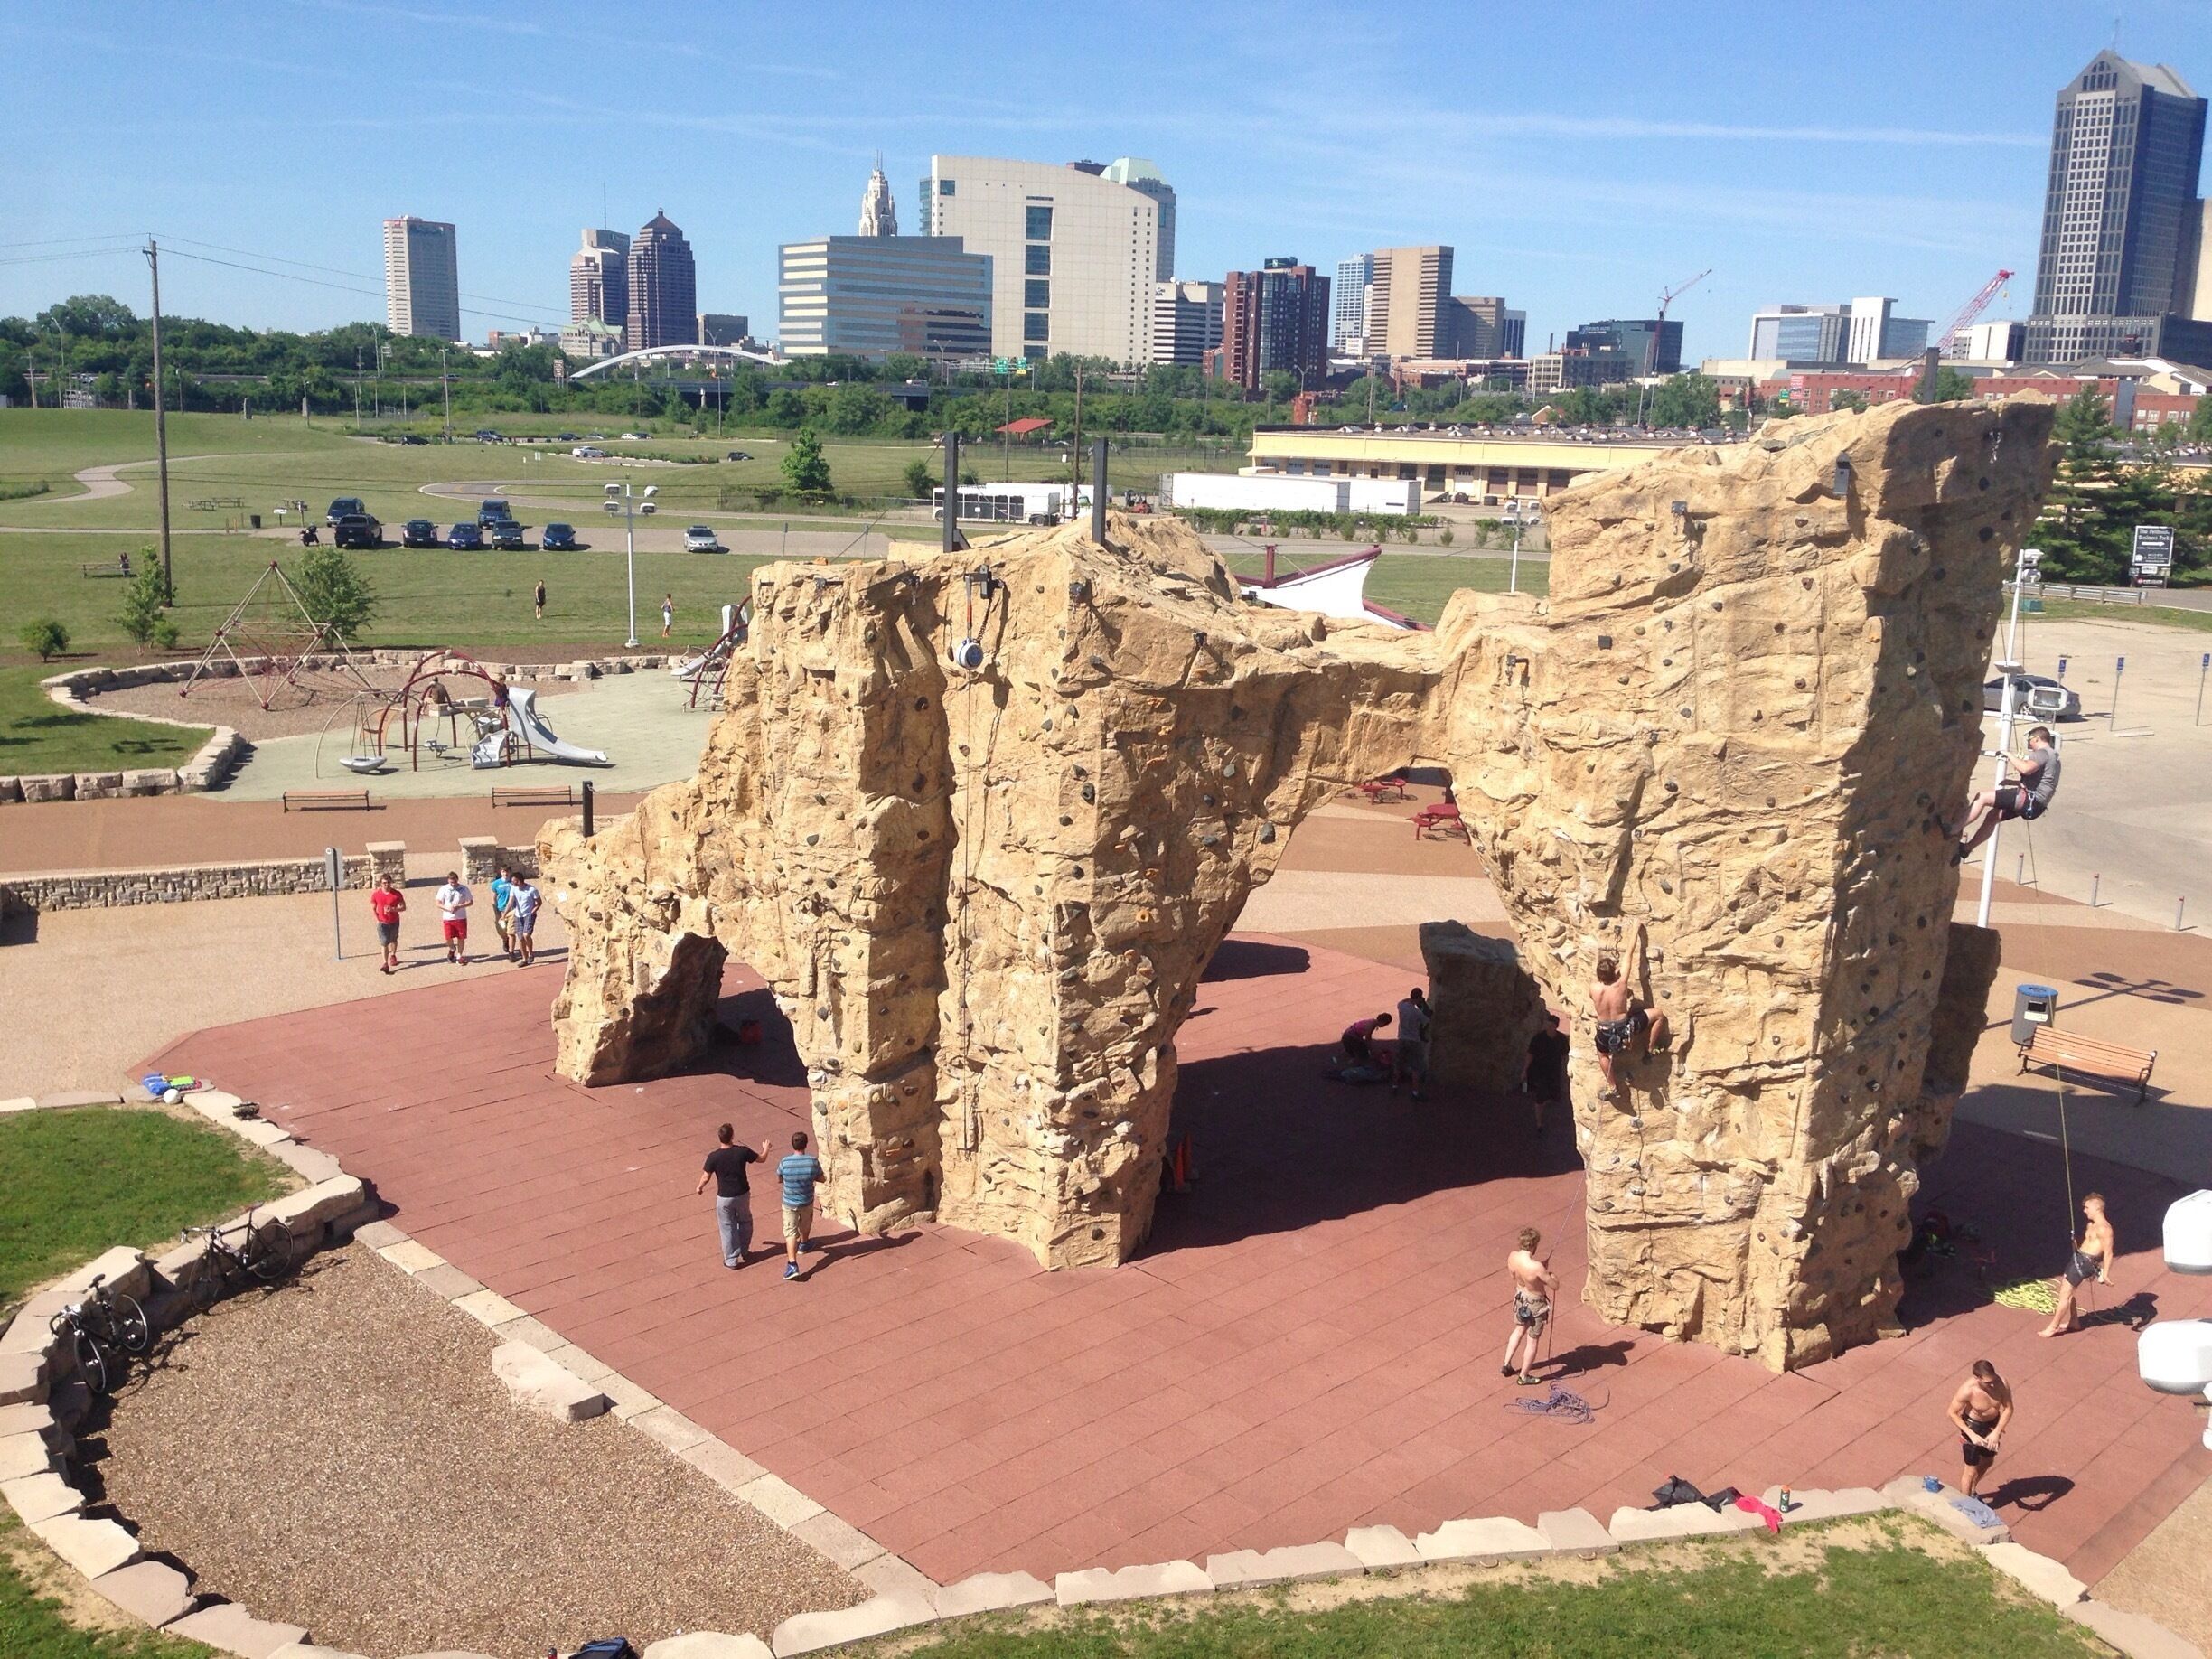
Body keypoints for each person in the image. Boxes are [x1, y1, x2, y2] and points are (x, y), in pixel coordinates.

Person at [1954, 726, 2061, 861]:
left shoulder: (2043, 753)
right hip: (2036, 806)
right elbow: (2041, 783)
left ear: (2036, 738)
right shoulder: (2055, 760)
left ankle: (1954, 829)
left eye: (2030, 741)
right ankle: (1966, 849)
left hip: (2028, 800)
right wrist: (2012, 782)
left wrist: (2008, 754)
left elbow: (2026, 769)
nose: (2029, 744)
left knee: (1982, 797)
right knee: (1993, 817)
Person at [1590, 955, 1667, 1102]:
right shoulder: (1622, 983)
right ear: (1615, 972)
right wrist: (1634, 932)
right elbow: (1629, 956)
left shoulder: (1594, 988)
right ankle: (1650, 1049)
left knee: (1603, 1056)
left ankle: (1613, 1088)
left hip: (1604, 1032)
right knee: (1658, 1015)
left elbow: (1595, 995)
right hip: (1625, 1029)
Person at [2040, 1192, 2113, 1338]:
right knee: (2066, 1289)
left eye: (2087, 1208)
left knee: (2064, 1295)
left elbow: (2108, 1253)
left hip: (2084, 1263)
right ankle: (2074, 1321)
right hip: (2078, 1258)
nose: (2085, 1211)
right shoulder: (2091, 1225)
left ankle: (2053, 1327)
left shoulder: (2105, 1229)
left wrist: (2105, 1273)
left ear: (2096, 1208)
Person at [694, 1122, 765, 1269]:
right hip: (743, 1193)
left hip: (725, 1197)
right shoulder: (742, 1152)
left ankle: (731, 1259)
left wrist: (700, 1187)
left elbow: (706, 1176)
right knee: (745, 1221)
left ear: (720, 1138)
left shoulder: (713, 1157)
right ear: (732, 1136)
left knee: (727, 1227)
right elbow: (761, 1159)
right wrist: (766, 1149)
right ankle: (745, 1250)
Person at [1947, 1359, 2013, 1497]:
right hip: (1973, 1426)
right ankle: (1965, 1503)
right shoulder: (1967, 1391)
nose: (1993, 1384)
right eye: (1988, 1383)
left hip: (1992, 1426)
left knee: (1988, 1461)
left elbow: (2008, 1408)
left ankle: (1972, 1490)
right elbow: (1952, 1413)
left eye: (1993, 1380)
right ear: (1977, 1378)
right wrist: (1971, 1435)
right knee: (1970, 1470)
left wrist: (1997, 1431)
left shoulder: (2001, 1383)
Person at [1501, 1227, 1557, 1386]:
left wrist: (1538, 1272)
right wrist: (1550, 1274)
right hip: (1536, 1304)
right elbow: (1554, 1285)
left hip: (1520, 1298)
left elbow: (1514, 1276)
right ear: (1534, 1245)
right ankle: (1524, 1377)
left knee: (1518, 1330)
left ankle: (1506, 1364)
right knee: (1532, 1340)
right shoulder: (1537, 1267)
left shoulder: (1513, 1256)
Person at [777, 1130, 826, 1281]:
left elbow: (779, 1178)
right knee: (806, 1224)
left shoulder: (785, 1161)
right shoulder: (812, 1161)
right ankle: (804, 1244)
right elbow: (822, 1178)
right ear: (806, 1144)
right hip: (806, 1200)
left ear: (793, 1145)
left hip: (789, 1202)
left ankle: (792, 1264)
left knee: (791, 1232)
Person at [1524, 1011, 1570, 1133]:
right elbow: (1530, 1054)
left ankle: (1544, 1106)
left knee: (1553, 1096)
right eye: (1547, 1025)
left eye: (1551, 1026)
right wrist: (1525, 1070)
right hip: (1539, 1072)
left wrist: (1566, 1073)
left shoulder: (1561, 1039)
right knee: (1540, 1097)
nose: (1549, 1028)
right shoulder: (1538, 1038)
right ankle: (1539, 1123)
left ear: (1556, 1026)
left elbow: (1565, 1055)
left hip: (1554, 1073)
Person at [1391, 989, 1430, 1101]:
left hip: (1402, 1038)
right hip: (1413, 1040)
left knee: (1398, 1064)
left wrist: (1413, 999)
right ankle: (1415, 1092)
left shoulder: (1401, 1006)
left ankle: (1394, 1086)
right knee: (1416, 1067)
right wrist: (1422, 1005)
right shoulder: (1416, 1012)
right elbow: (1426, 1020)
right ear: (1418, 998)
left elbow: (1403, 1001)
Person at [434, 870, 473, 966]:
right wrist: (447, 908)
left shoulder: (464, 889)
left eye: (454, 882)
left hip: (460, 917)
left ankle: (459, 955)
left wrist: (459, 906)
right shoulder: (443, 889)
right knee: (448, 938)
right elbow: (438, 903)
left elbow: (470, 902)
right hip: (448, 917)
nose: (453, 884)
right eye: (451, 882)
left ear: (457, 880)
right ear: (448, 881)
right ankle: (452, 948)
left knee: (461, 937)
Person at [370, 875, 406, 974]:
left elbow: (403, 907)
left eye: (388, 882)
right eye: (384, 883)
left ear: (391, 883)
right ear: (381, 884)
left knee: (393, 939)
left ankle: (393, 955)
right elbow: (373, 908)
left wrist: (394, 909)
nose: (386, 884)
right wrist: (377, 919)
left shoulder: (396, 894)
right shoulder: (376, 894)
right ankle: (385, 963)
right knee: (384, 942)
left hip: (394, 921)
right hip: (382, 923)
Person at [509, 874, 540, 967]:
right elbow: (511, 902)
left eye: (513, 880)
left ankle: (530, 953)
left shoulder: (531, 890)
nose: (512, 882)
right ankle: (524, 958)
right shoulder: (513, 889)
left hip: (528, 914)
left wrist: (532, 912)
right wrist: (505, 913)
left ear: (518, 880)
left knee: (526, 935)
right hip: (518, 916)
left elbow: (539, 902)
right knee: (521, 938)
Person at [489, 864, 516, 961]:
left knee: (511, 932)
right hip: (501, 909)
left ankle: (511, 953)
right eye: (504, 872)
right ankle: (505, 940)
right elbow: (494, 897)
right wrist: (496, 911)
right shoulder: (496, 884)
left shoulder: (513, 882)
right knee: (501, 930)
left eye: (507, 871)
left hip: (512, 910)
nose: (506, 874)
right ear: (501, 873)